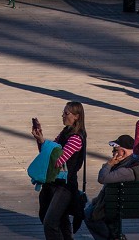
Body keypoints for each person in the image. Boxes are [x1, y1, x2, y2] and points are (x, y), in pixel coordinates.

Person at [32, 102, 87, 240]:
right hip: (54, 184)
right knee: (59, 222)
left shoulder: (76, 138)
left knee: (50, 223)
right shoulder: (65, 132)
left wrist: (44, 142)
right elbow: (48, 153)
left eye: (66, 113)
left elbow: (58, 160)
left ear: (76, 116)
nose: (63, 116)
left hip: (65, 187)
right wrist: (40, 139)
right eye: (63, 113)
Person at [83, 134, 139, 240]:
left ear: (124, 152)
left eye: (116, 150)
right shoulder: (133, 163)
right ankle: (112, 235)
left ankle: (109, 238)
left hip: (119, 207)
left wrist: (109, 164)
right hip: (119, 204)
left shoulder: (127, 171)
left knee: (89, 215)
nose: (113, 153)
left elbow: (102, 178)